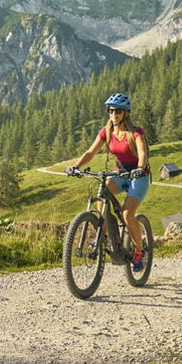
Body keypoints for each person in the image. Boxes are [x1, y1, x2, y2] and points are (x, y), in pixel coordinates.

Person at [67, 92, 151, 271]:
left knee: (128, 214)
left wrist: (139, 168)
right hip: (120, 173)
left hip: (139, 175)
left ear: (125, 113)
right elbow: (91, 152)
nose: (114, 115)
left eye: (118, 111)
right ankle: (104, 233)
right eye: (111, 111)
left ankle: (140, 251)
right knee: (102, 192)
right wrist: (76, 166)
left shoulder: (136, 132)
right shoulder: (107, 131)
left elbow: (143, 153)